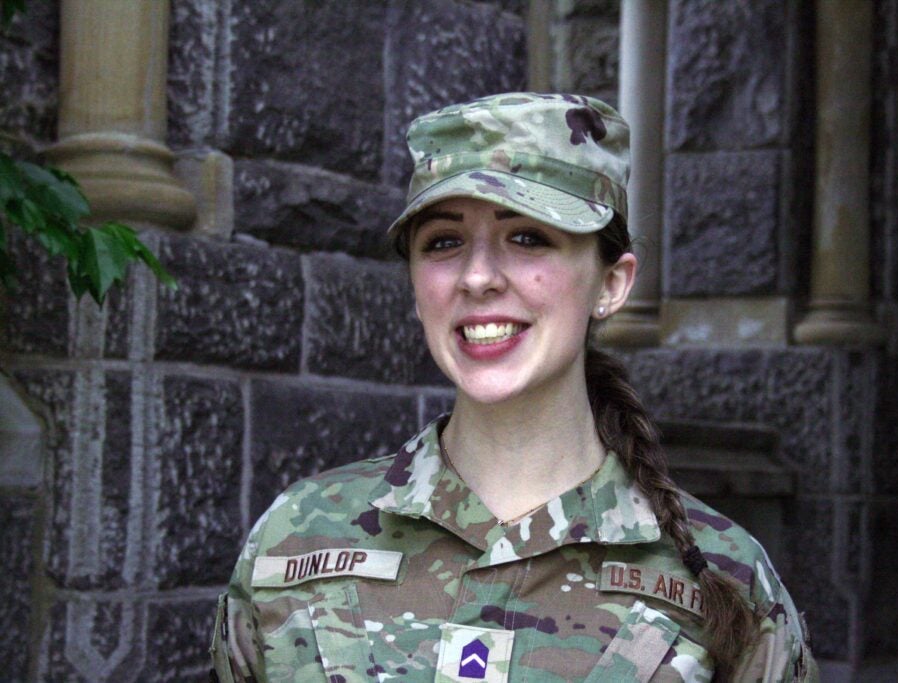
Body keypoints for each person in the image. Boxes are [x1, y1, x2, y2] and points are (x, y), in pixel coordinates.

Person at [210, 92, 818, 682]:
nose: (477, 277)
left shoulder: (725, 579)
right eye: (443, 243)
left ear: (612, 283)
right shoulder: (295, 539)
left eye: (528, 237)